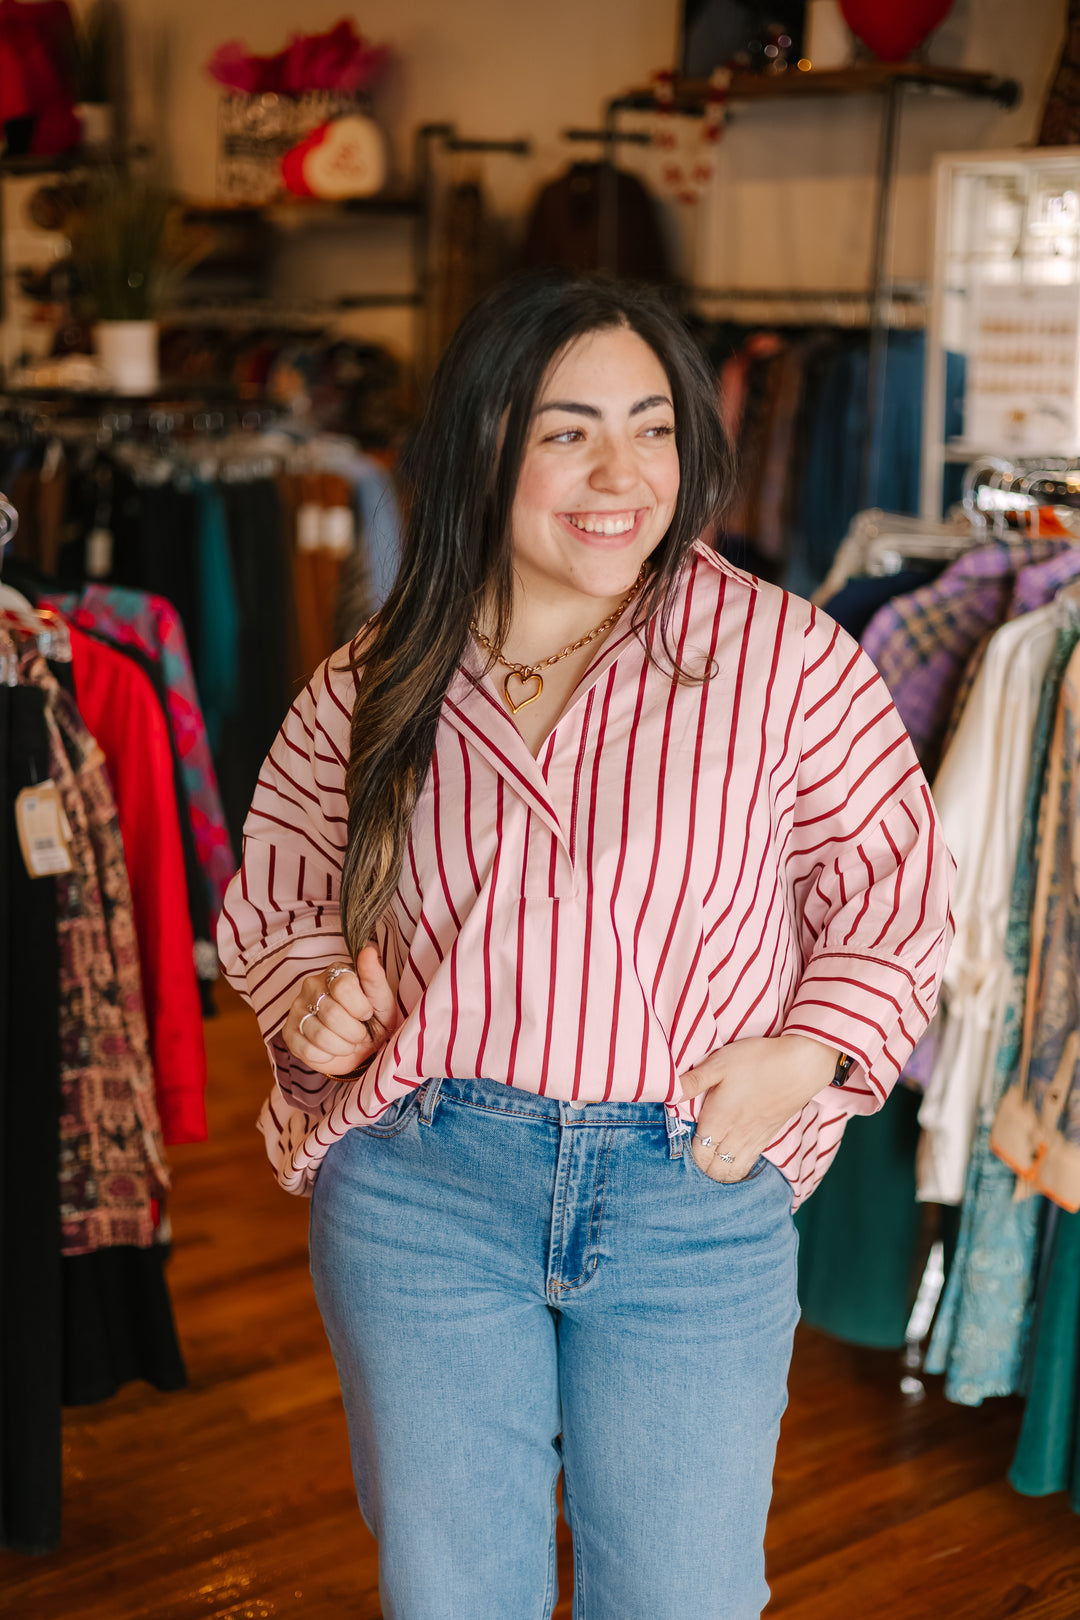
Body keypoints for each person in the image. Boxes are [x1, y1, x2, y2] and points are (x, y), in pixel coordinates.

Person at [218, 272, 954, 1620]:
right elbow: (278, 893)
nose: (623, 472)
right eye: (567, 430)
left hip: (688, 1190)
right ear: (483, 444)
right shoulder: (382, 674)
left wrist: (806, 1053)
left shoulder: (782, 658)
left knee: (684, 1595)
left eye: (654, 426)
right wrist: (309, 997)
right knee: (453, 1597)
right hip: (422, 1186)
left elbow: (902, 893)